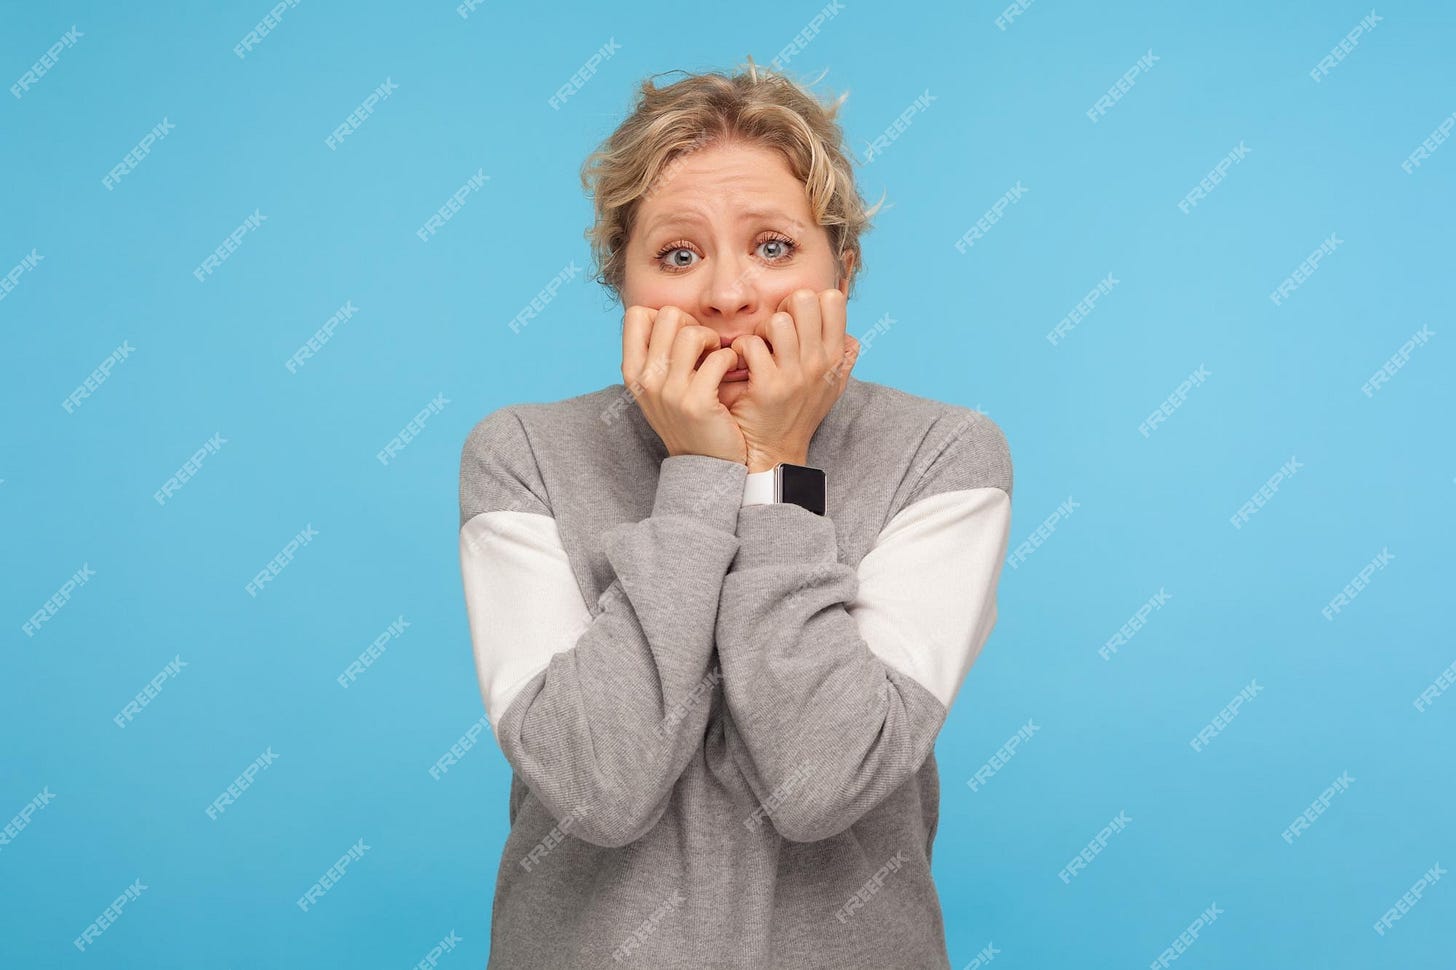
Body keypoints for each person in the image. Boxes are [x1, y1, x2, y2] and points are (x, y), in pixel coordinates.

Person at [458, 56, 1013, 970]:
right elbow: (600, 787)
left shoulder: (944, 456)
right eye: (678, 254)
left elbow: (822, 783)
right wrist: (703, 473)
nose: (725, 295)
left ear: (845, 264)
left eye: (773, 246)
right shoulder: (521, 456)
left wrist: (778, 473)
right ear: (622, 281)